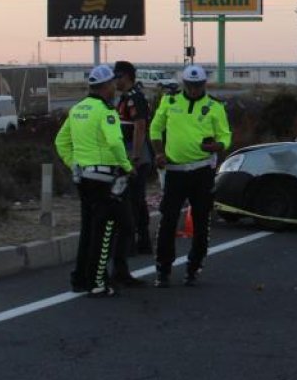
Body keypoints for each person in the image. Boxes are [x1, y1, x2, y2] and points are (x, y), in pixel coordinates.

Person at [54, 64, 134, 297]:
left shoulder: (77, 109)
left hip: (84, 178)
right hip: (104, 179)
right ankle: (97, 282)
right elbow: (115, 143)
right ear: (106, 86)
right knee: (106, 228)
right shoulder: (106, 112)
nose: (115, 89)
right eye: (112, 85)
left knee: (89, 229)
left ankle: (80, 277)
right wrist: (128, 167)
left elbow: (61, 142)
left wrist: (74, 163)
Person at [149, 64, 231, 287]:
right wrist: (158, 152)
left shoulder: (214, 106)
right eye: (190, 85)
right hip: (175, 172)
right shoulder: (170, 101)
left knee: (201, 220)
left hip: (202, 171)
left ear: (204, 84)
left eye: (198, 85)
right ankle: (163, 269)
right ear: (184, 84)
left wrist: (218, 145)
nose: (194, 89)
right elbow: (155, 129)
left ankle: (194, 267)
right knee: (168, 220)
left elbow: (226, 135)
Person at [113, 61, 155, 257]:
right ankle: (138, 241)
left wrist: (135, 156)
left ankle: (139, 242)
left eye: (118, 76)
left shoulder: (135, 97)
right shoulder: (123, 98)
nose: (115, 80)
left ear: (127, 76)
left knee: (134, 200)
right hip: (127, 153)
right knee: (132, 199)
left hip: (136, 154)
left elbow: (140, 126)